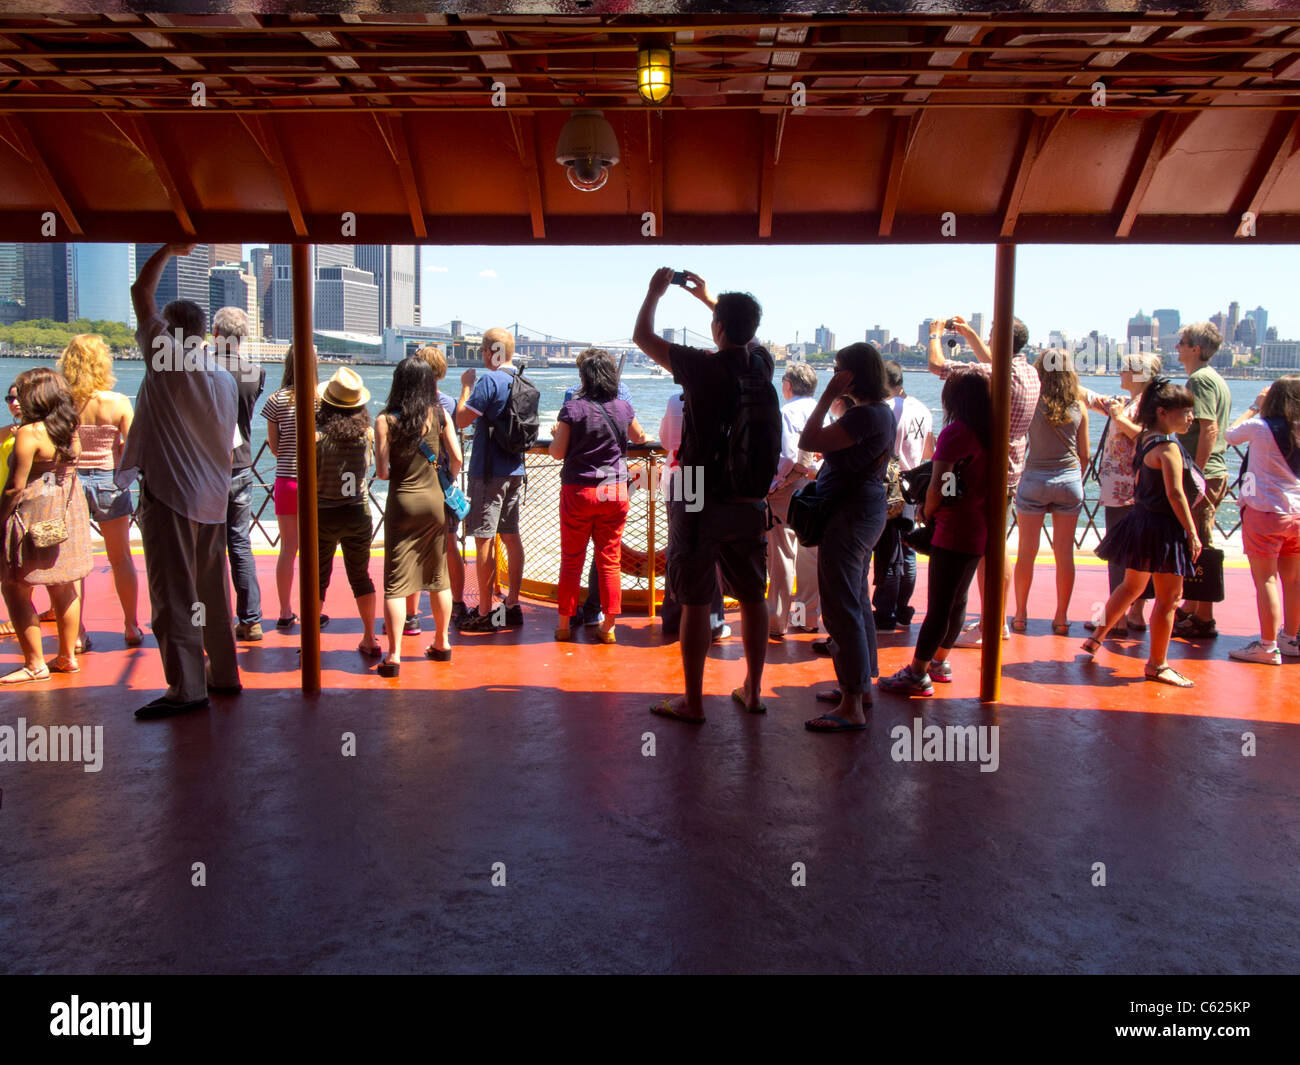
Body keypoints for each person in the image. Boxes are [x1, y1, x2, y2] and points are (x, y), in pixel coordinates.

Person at [633, 267, 777, 722]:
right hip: (749, 497)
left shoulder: (700, 366)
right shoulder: (762, 365)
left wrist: (656, 292)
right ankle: (753, 691)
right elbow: (743, 333)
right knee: (752, 597)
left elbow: (642, 336)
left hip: (696, 485)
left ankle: (694, 703)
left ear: (717, 330)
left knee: (695, 598)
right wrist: (712, 300)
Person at [124, 243, 239, 718]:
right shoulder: (223, 376)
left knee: (174, 597)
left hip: (172, 494)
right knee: (212, 594)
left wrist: (170, 249)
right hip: (214, 497)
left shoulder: (170, 363)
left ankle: (187, 689)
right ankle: (224, 674)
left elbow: (139, 292)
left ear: (169, 333)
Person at [798, 344, 895, 733]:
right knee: (854, 598)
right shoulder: (879, 413)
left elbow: (809, 439)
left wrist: (824, 396)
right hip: (864, 510)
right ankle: (859, 688)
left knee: (841, 607)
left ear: (851, 376)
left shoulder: (864, 415)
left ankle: (852, 702)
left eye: (839, 371)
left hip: (850, 514)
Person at [879, 371, 993, 697]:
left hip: (953, 527)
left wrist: (926, 512)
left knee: (939, 604)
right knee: (958, 601)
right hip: (978, 526)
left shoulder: (957, 433)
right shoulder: (990, 432)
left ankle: (917, 672)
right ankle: (940, 661)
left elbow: (941, 482)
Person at [927, 313, 1039, 646]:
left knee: (981, 550)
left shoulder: (989, 375)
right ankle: (996, 619)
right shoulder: (1030, 373)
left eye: (992, 333)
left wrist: (934, 335)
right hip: (1011, 471)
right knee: (996, 546)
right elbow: (997, 364)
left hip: (980, 473)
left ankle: (988, 623)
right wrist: (973, 336)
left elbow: (939, 367)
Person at [1084, 377, 1200, 687]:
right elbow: (1176, 494)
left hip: (1140, 521)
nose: (1191, 417)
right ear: (1164, 412)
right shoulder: (1168, 447)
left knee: (1130, 585)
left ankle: (1098, 636)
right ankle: (1158, 664)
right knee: (1169, 599)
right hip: (1163, 529)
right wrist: (1192, 531)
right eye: (1185, 411)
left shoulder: (1146, 437)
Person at [0, 368, 92, 682]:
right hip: (66, 514)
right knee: (64, 586)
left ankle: (35, 663)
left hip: (33, 516)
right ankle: (67, 656)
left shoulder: (29, 433)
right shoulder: (70, 427)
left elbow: (15, 486)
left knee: (15, 586)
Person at [550, 348, 646, 643]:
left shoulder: (573, 409)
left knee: (571, 559)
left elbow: (557, 453)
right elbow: (640, 437)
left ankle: (564, 625)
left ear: (584, 376)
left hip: (579, 490)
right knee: (609, 559)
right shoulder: (623, 407)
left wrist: (556, 432)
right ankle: (609, 626)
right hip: (614, 490)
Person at [375, 357, 460, 676]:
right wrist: (444, 479)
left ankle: (394, 655)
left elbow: (382, 472)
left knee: (396, 582)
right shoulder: (439, 414)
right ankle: (441, 643)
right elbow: (457, 458)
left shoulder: (385, 420)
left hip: (402, 503)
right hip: (435, 503)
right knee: (438, 577)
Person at [57, 334, 141, 650]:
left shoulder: (61, 402)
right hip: (109, 481)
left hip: (72, 483)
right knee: (121, 558)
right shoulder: (117, 402)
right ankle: (131, 625)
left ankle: (76, 632)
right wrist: (117, 453)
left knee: (74, 563)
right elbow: (134, 445)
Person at [1083, 353, 1162, 637]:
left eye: (1127, 368)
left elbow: (1146, 437)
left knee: (1120, 552)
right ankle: (1135, 614)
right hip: (1126, 488)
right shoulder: (1130, 403)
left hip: (1127, 489)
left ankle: (1116, 618)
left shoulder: (1149, 406)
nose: (1121, 372)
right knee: (1137, 553)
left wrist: (1118, 417)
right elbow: (1091, 399)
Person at [455, 328, 528, 634]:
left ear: (490, 351)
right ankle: (511, 605)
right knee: (511, 537)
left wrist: (466, 388)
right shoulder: (523, 380)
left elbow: (461, 419)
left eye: (483, 350)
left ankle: (485, 612)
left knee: (483, 539)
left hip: (488, 473)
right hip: (516, 471)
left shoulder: (488, 381)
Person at [1010, 349, 1089, 634]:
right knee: (1064, 553)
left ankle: (1020, 615)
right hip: (1069, 480)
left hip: (1034, 480)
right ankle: (1061, 617)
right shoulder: (1079, 405)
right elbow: (1085, 454)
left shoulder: (1034, 403)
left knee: (1026, 552)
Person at [1223, 376, 1300, 664]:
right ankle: (1291, 638)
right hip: (1297, 513)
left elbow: (1229, 435)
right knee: (1293, 580)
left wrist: (1255, 406)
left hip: (1265, 511)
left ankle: (1267, 646)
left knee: (1265, 579)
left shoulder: (1259, 427)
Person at [315, 368, 380, 657]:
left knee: (317, 579)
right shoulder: (366, 435)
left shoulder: (317, 437)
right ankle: (369, 637)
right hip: (357, 512)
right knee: (360, 576)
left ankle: (311, 642)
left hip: (322, 514)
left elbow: (307, 477)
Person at [1173, 321, 1231, 639]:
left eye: (1182, 342)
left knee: (1200, 544)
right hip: (1212, 472)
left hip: (1204, 474)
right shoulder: (1214, 379)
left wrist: (1197, 472)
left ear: (1195, 348)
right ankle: (1193, 605)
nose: (1177, 347)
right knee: (1196, 540)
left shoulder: (1200, 381)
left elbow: (1208, 427)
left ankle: (1204, 616)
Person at [211, 306, 266, 642]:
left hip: (206, 466)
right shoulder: (255, 373)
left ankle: (212, 619)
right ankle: (251, 619)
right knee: (240, 542)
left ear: (215, 334)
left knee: (208, 546)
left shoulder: (201, 367)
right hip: (242, 462)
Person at [657, 391, 728, 641]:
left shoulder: (674, 400)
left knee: (678, 547)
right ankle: (713, 621)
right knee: (709, 550)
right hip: (708, 480)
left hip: (676, 478)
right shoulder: (720, 399)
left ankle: (673, 616)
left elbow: (666, 441)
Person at [872, 359, 934, 631]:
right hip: (913, 485)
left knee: (887, 552)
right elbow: (930, 451)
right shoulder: (922, 409)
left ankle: (884, 613)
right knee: (908, 551)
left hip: (889, 487)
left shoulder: (885, 409)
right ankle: (902, 609)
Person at [261, 348, 317, 630]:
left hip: (286, 480)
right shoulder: (321, 398)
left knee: (288, 548)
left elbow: (273, 444)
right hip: (316, 482)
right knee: (315, 550)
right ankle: (314, 608)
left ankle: (285, 611)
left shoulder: (275, 399)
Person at [766, 363, 822, 640]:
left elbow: (787, 456)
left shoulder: (786, 412)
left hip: (789, 488)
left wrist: (774, 486)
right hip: (818, 486)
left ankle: (779, 621)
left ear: (788, 385)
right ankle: (807, 617)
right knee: (811, 553)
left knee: (783, 553)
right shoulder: (824, 413)